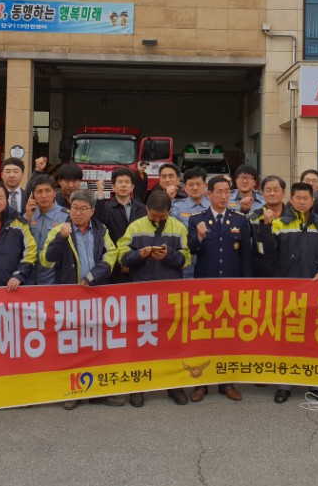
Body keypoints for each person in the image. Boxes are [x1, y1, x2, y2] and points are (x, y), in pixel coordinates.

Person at [258, 182, 318, 404]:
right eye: (298, 198)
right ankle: (284, 385)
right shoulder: (278, 224)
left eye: (306, 198)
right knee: (286, 339)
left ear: (312, 201)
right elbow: (265, 254)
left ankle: (316, 385)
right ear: (291, 200)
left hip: (316, 291)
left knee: (314, 338)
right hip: (287, 292)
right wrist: (265, 227)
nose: (302, 202)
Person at [42, 189, 122, 409]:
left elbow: (111, 255)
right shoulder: (60, 229)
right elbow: (46, 260)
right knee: (72, 345)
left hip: (95, 295)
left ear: (92, 210)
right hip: (69, 297)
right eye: (74, 208)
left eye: (83, 209)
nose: (78, 212)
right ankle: (73, 391)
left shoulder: (101, 229)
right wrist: (60, 238)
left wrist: (92, 277)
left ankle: (99, 392)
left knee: (97, 344)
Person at [117, 190, 192, 407]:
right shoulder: (135, 227)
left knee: (171, 341)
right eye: (153, 216)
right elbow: (121, 256)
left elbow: (187, 258)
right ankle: (138, 387)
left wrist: (169, 256)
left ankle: (174, 386)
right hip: (141, 294)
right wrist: (138, 255)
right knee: (140, 341)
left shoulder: (178, 227)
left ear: (169, 211)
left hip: (169, 294)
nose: (157, 220)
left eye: (162, 216)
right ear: (146, 209)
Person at [186, 175, 252, 403]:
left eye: (227, 192)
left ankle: (227, 383)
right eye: (219, 192)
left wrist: (246, 286)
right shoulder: (197, 219)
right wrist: (199, 236)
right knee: (203, 336)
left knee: (228, 336)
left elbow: (246, 257)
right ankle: (201, 383)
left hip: (231, 288)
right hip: (205, 287)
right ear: (209, 194)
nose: (224, 196)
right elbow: (192, 250)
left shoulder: (240, 220)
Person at [94, 166, 147, 284]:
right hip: (114, 267)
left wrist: (132, 261)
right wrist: (100, 194)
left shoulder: (142, 208)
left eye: (127, 182)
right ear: (113, 186)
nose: (123, 185)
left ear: (132, 186)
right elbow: (99, 225)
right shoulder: (106, 208)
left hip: (138, 265)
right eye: (120, 182)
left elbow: (144, 237)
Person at [24, 174, 69, 285]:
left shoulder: (66, 216)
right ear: (33, 195)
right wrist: (27, 218)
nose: (44, 196)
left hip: (53, 277)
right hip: (28, 276)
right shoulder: (28, 214)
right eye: (39, 192)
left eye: (47, 191)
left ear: (54, 193)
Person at [172, 167, 212, 279]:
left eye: (198, 184)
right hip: (186, 264)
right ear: (184, 187)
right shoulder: (176, 207)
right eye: (190, 184)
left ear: (205, 185)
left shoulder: (214, 206)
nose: (194, 188)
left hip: (209, 262)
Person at [247, 175, 287, 278]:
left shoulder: (293, 217)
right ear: (262, 193)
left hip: (288, 274)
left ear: (283, 192)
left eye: (276, 190)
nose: (272, 193)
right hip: (262, 275)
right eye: (268, 190)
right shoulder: (253, 218)